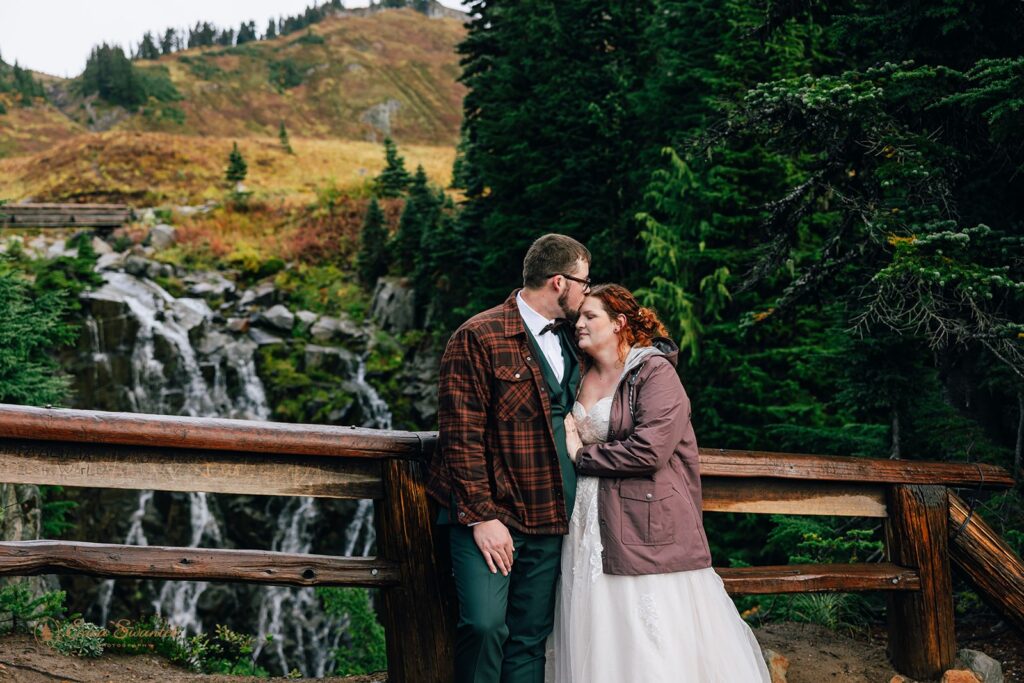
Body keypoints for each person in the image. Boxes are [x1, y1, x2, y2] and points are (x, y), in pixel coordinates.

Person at [546, 284, 771, 683]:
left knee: (646, 631)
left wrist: (582, 456)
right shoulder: (576, 373)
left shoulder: (653, 372)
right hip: (584, 520)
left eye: (590, 316)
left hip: (642, 522)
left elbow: (650, 450)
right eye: (578, 317)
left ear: (618, 324)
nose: (578, 324)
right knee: (592, 622)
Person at [427, 234, 593, 683]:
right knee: (483, 626)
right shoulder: (478, 336)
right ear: (559, 282)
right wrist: (482, 517)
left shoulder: (576, 340)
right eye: (584, 282)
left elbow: (635, 361)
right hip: (490, 516)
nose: (587, 292)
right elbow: (461, 436)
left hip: (554, 516)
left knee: (530, 639)